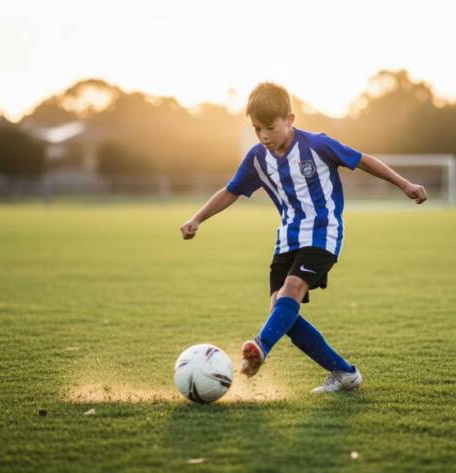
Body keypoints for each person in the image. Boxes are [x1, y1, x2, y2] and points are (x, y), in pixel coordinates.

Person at [180, 82, 427, 393]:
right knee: (282, 315)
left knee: (292, 291)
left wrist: (403, 184)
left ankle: (260, 347)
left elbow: (362, 159)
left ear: (290, 120)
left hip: (324, 234)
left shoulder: (317, 145)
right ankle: (344, 374)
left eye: (269, 127)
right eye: (257, 129)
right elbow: (231, 191)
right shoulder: (257, 158)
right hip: (286, 239)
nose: (264, 136)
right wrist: (197, 218)